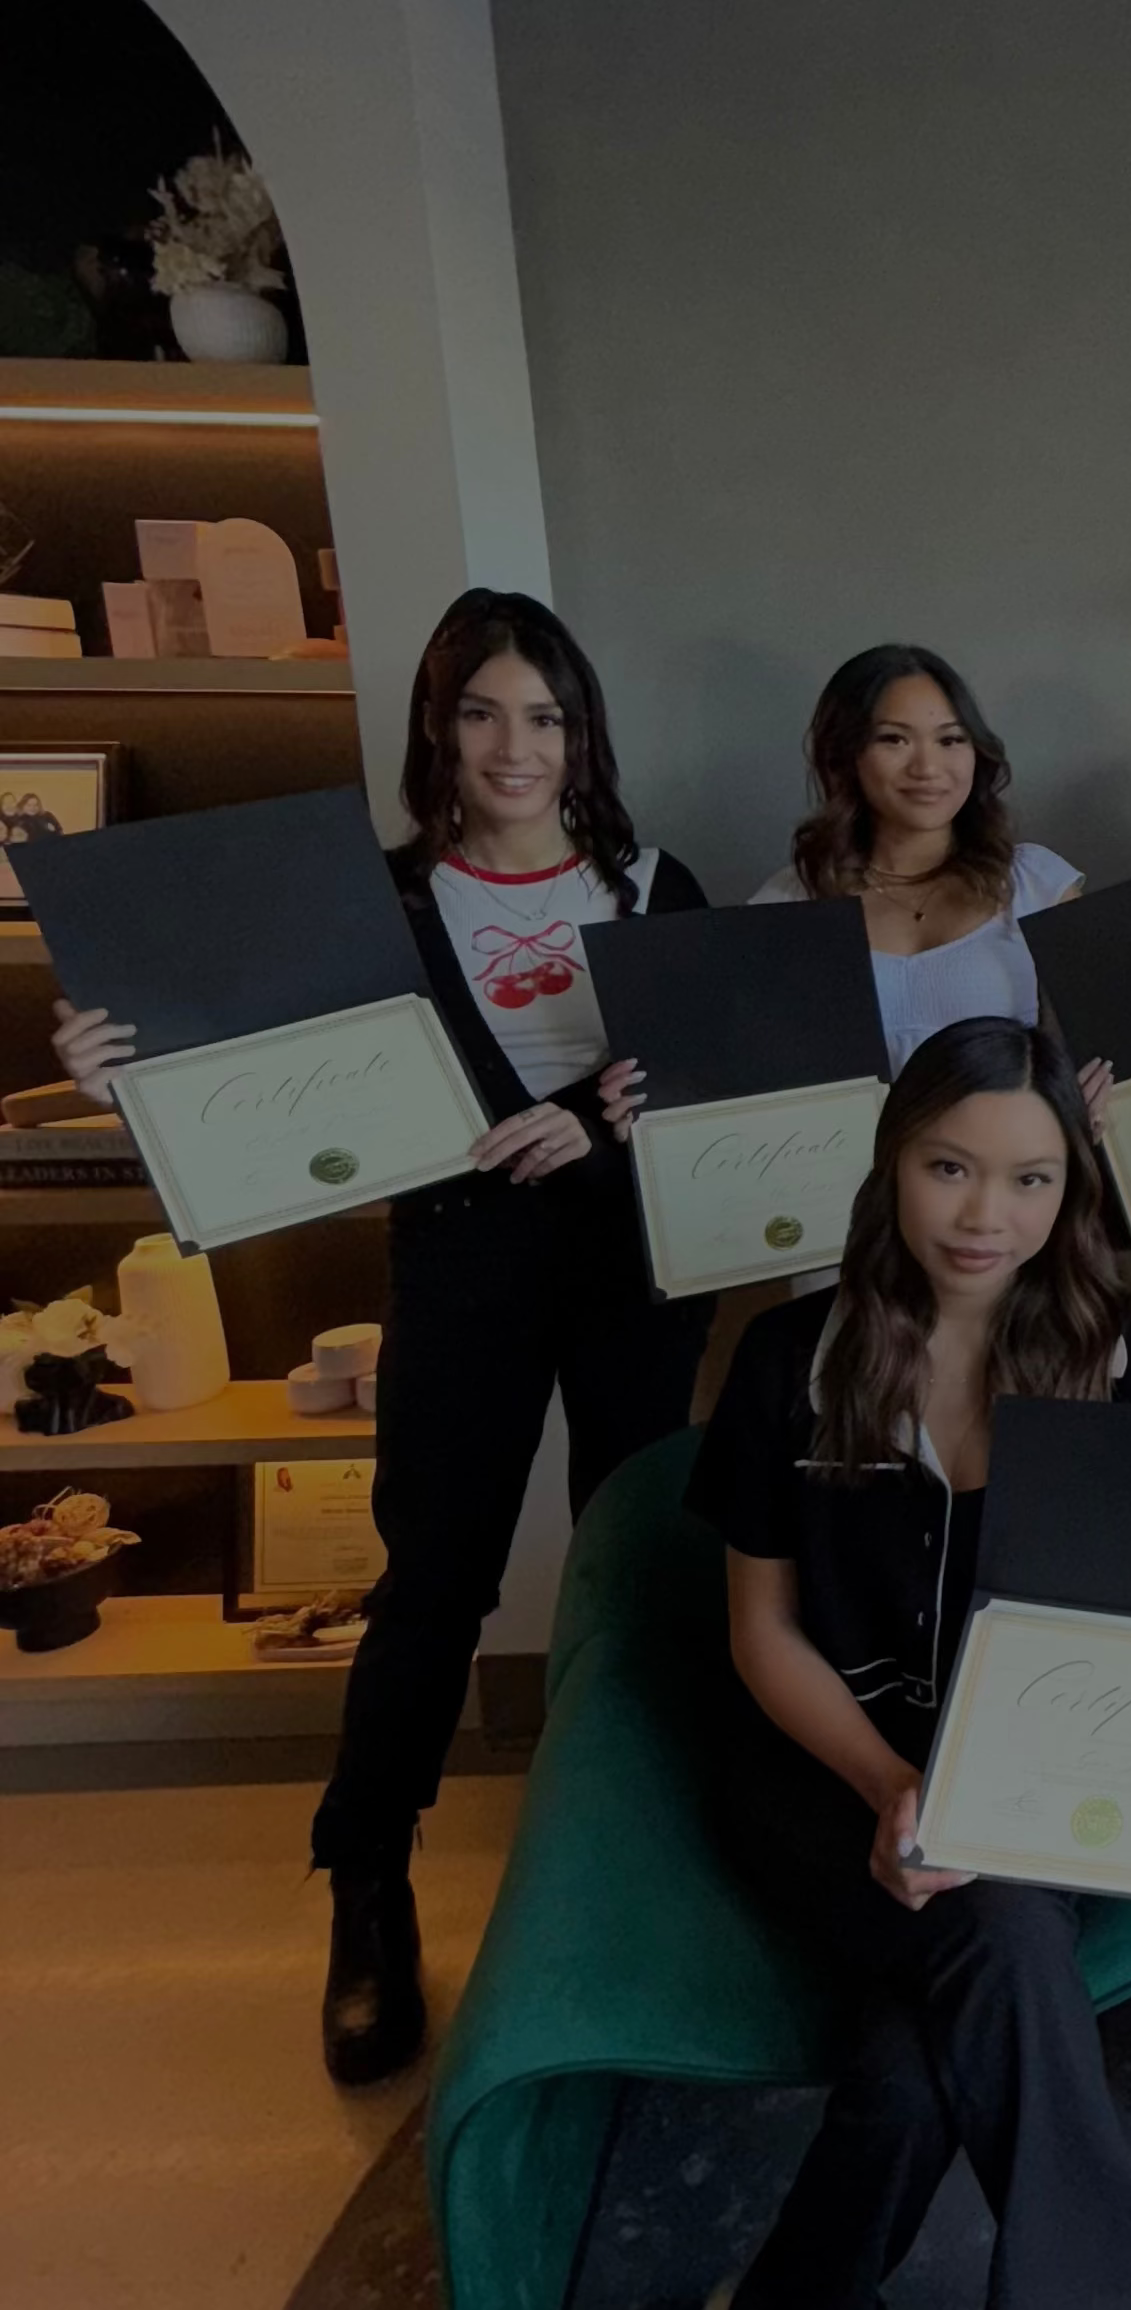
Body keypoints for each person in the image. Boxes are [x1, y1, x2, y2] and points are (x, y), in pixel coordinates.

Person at [52, 588, 719, 2085]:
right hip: (460, 1268)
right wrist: (118, 1077)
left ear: (580, 730)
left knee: (640, 1560)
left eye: (544, 714)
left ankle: (638, 1864)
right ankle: (366, 1887)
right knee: (433, 1579)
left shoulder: (660, 884)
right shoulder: (377, 902)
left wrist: (603, 1127)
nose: (514, 744)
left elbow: (713, 1079)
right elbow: (255, 1081)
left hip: (639, 1268)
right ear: (439, 725)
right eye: (482, 711)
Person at [687, 1016, 1131, 2310]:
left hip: (1042, 1779)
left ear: (1070, 1188)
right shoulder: (785, 1360)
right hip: (822, 1773)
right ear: (892, 1164)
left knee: (911, 2057)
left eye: (1031, 1177)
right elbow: (761, 1630)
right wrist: (887, 1786)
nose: (988, 1212)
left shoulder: (1120, 1365)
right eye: (950, 1167)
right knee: (994, 1925)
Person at [749, 643, 1084, 1076]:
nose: (927, 767)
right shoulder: (787, 903)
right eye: (894, 739)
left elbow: (1092, 1055)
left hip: (1013, 1143)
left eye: (950, 739)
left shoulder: (1038, 884)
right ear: (845, 755)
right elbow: (750, 1074)